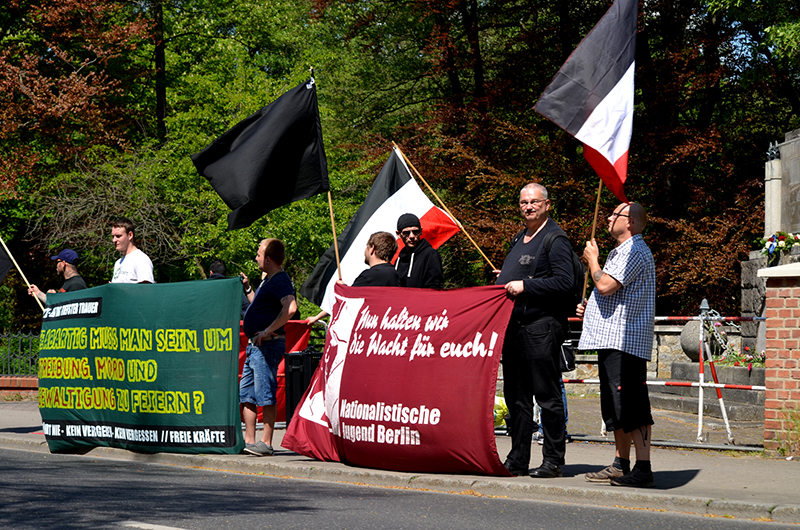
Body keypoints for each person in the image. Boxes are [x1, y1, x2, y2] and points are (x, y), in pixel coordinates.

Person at [495, 183, 574, 478]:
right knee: (516, 398)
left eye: (534, 202)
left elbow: (564, 282)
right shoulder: (520, 237)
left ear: (547, 205)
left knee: (547, 396)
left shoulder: (555, 239)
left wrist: (525, 285)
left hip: (541, 327)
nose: (528, 207)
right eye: (524, 202)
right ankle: (517, 459)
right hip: (514, 329)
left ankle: (553, 460)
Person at [577, 202, 656, 488]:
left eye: (615, 215)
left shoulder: (635, 249)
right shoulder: (621, 252)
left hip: (626, 342)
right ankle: (621, 464)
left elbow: (607, 285)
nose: (609, 218)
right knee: (615, 406)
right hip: (611, 340)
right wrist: (593, 309)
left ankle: (643, 468)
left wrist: (592, 261)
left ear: (631, 222)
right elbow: (612, 294)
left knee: (631, 404)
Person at [240, 238, 297, 456]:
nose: (256, 257)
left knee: (265, 393)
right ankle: (250, 441)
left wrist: (267, 330)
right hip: (255, 345)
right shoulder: (268, 280)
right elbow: (258, 306)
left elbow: (290, 308)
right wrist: (248, 288)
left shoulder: (280, 280)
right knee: (247, 394)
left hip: (266, 345)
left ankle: (266, 443)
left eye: (259, 254)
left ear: (269, 259)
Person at [306, 232, 400, 325]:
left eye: (367, 247)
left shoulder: (370, 276)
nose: (365, 251)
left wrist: (342, 289)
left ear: (372, 249)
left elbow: (347, 302)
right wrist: (318, 317)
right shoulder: (395, 274)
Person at [394, 213, 444, 289]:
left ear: (421, 231)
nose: (411, 236)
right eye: (406, 233)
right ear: (399, 234)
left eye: (415, 232)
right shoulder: (398, 260)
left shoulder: (430, 255)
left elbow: (435, 286)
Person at [110, 218, 154, 284]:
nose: (114, 240)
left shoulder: (141, 259)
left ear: (130, 235)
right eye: (113, 236)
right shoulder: (118, 263)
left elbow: (146, 289)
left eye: (118, 236)